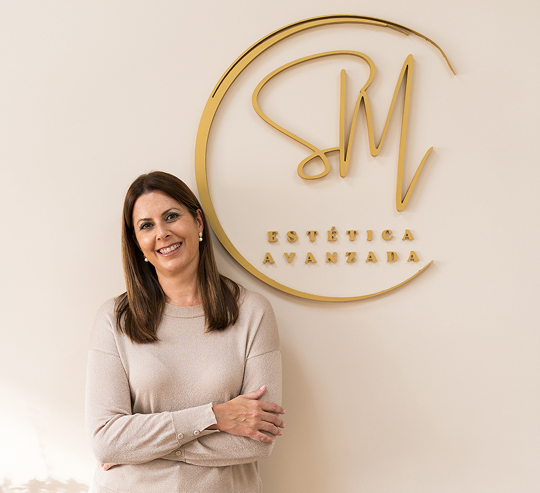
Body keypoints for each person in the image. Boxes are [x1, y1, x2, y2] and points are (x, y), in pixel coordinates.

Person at [85, 171, 284, 493]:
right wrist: (213, 417)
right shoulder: (115, 318)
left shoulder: (251, 311)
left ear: (198, 222)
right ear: (137, 243)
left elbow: (258, 440)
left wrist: (140, 448)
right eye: (146, 225)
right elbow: (106, 441)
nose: (162, 233)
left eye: (171, 217)